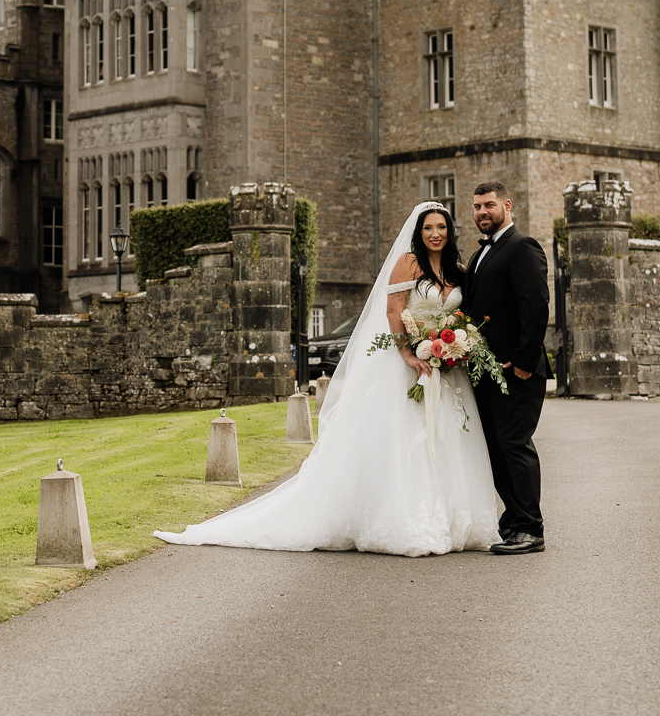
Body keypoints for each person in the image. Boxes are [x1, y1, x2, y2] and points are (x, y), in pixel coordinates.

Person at [153, 201, 500, 556]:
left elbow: (460, 317)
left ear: (450, 230)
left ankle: (452, 521)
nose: (435, 234)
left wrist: (453, 348)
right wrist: (409, 353)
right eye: (428, 228)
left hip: (445, 372)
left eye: (441, 227)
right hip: (409, 366)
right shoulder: (407, 263)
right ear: (419, 232)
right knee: (404, 440)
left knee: (447, 443)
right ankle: (404, 520)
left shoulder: (459, 270)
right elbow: (394, 311)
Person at [462, 179, 552, 555]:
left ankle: (531, 528)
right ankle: (514, 520)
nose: (483, 212)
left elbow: (536, 306)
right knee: (495, 449)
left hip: (517, 370)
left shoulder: (522, 247)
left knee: (515, 445)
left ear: (507, 206)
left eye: (489, 205)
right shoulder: (480, 254)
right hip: (485, 372)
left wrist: (525, 362)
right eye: (478, 207)